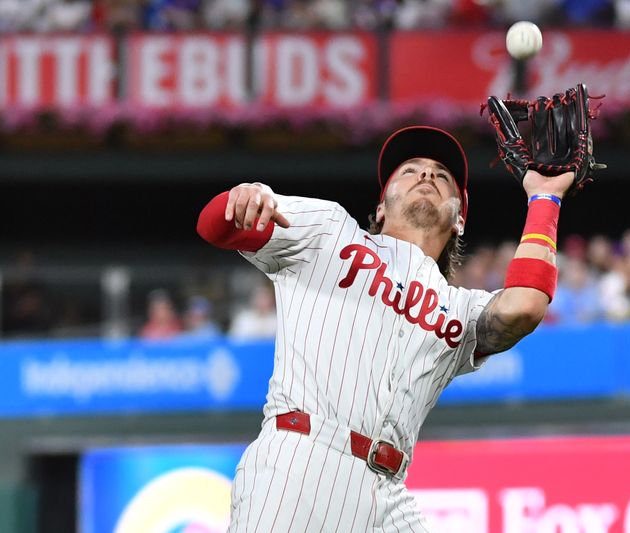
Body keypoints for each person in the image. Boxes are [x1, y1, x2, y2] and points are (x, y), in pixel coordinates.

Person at [196, 125, 577, 532]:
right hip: (303, 462)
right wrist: (238, 199)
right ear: (380, 208)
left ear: (460, 219)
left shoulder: (462, 310)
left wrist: (544, 197)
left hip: (388, 490)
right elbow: (215, 226)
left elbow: (526, 306)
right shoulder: (329, 233)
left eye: (442, 176)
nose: (427, 175)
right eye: (410, 170)